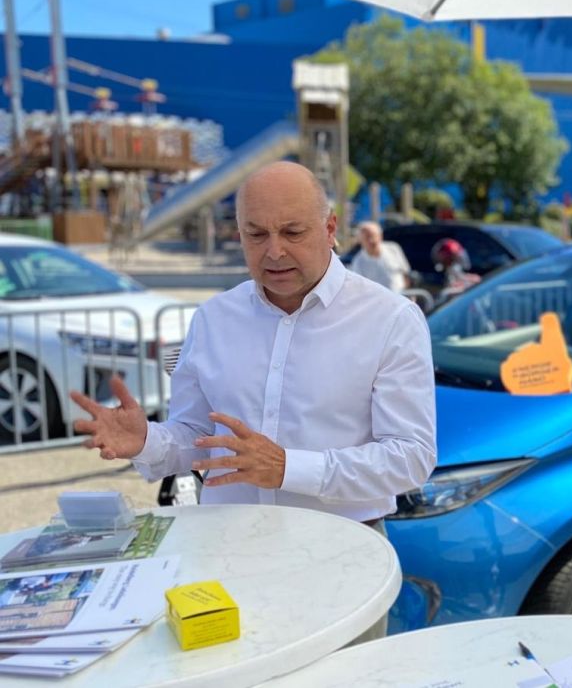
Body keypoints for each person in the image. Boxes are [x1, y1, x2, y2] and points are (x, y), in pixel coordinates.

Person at [71, 160, 436, 527]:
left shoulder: (390, 319)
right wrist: (146, 440)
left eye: (292, 232)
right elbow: (198, 435)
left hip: (344, 544)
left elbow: (411, 458)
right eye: (257, 234)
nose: (274, 251)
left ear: (330, 229)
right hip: (225, 541)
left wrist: (288, 469)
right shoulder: (214, 318)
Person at [350, 221, 412, 292]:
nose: (371, 240)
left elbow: (406, 274)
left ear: (380, 236)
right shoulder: (358, 261)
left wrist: (410, 295)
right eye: (367, 237)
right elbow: (360, 288)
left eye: (374, 235)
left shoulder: (393, 248)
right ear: (360, 240)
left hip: (401, 296)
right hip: (377, 300)